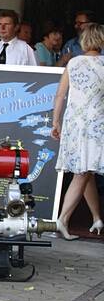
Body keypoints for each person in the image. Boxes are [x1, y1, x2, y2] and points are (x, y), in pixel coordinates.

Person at [51, 23, 104, 240]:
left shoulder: (73, 63)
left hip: (73, 123)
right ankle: (62, 220)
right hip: (94, 124)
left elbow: (60, 95)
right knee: (83, 172)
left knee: (84, 170)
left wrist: (56, 121)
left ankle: (96, 217)